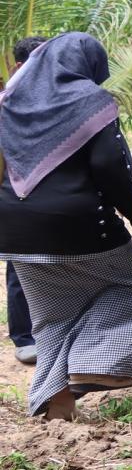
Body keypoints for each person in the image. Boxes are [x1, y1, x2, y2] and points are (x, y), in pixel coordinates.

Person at [0, 33, 132, 421]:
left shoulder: (10, 101)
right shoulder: (91, 101)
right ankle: (93, 364)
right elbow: (110, 166)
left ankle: (58, 408)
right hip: (82, 225)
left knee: (52, 317)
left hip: (14, 229)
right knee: (129, 285)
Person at [5, 35, 45, 366]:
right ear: (20, 66)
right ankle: (24, 336)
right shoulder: (7, 103)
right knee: (19, 264)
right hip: (14, 194)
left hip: (47, 196)